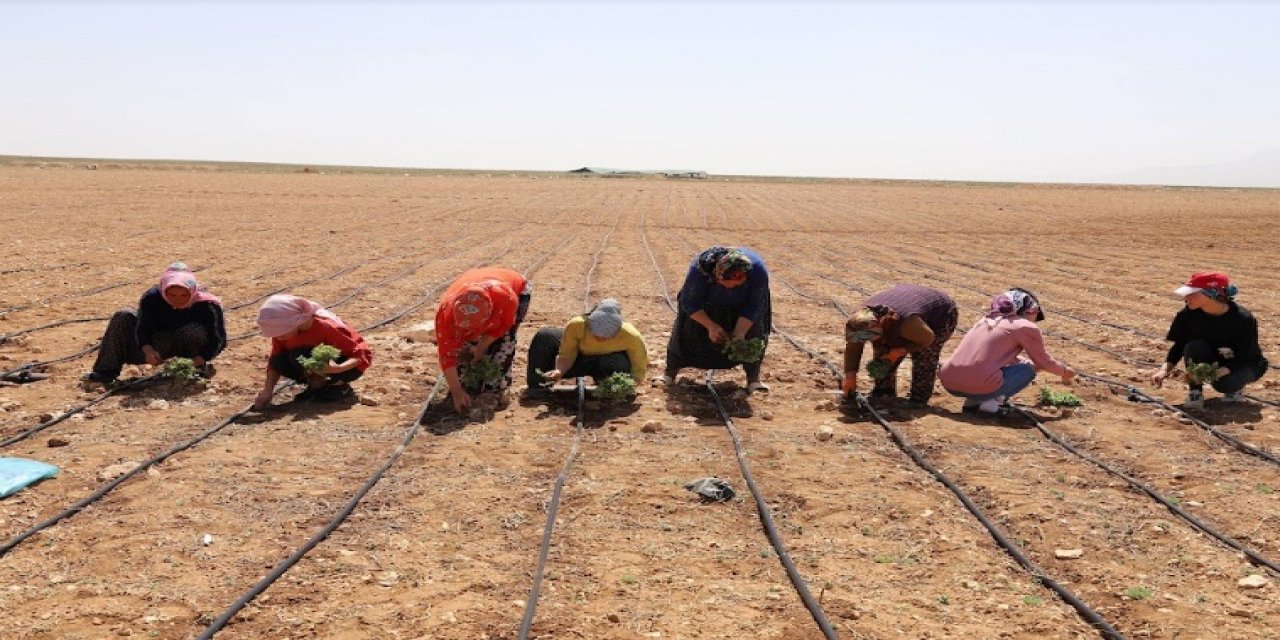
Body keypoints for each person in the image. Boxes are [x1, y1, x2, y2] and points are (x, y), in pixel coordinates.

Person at [84, 262, 226, 385]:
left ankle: (196, 370)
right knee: (123, 315)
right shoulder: (152, 298)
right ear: (164, 290)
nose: (178, 300)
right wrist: (149, 351)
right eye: (172, 295)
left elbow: (218, 339)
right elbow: (143, 327)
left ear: (193, 290)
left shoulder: (207, 305)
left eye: (184, 295)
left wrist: (197, 360)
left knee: (194, 330)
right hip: (159, 344)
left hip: (188, 348)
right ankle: (105, 372)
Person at [939, 288, 1076, 416]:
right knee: (1027, 371)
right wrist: (1065, 372)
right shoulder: (1024, 326)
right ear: (1031, 311)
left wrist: (1028, 363)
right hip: (980, 383)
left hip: (949, 382)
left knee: (992, 369)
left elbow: (997, 356)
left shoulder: (987, 320)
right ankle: (991, 404)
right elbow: (1043, 361)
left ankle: (972, 403)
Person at [1151, 271, 1268, 409]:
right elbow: (1180, 345)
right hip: (1214, 357)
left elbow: (1244, 356)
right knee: (1193, 346)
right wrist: (1164, 370)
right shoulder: (1187, 315)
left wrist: (1212, 374)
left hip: (1245, 363)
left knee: (1224, 384)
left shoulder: (1243, 319)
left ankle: (1234, 389)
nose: (1186, 297)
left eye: (1192, 293)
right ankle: (1195, 393)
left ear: (1211, 293)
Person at [663, 246, 771, 392]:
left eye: (737, 286)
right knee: (685, 334)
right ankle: (670, 373)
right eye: (728, 285)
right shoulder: (700, 270)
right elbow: (690, 303)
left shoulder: (757, 271)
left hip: (741, 306)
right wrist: (710, 326)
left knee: (753, 335)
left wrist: (740, 332)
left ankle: (753, 379)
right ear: (717, 276)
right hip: (706, 304)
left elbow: (754, 305)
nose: (731, 289)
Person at [842, 284, 958, 406]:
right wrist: (850, 377)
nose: (871, 342)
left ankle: (918, 399)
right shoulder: (858, 321)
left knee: (924, 354)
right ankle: (884, 391)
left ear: (880, 328)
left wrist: (900, 351)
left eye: (872, 338)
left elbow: (927, 339)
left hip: (941, 314)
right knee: (884, 351)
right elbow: (853, 348)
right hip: (910, 306)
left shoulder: (906, 324)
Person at [435, 267, 531, 413]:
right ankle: (467, 383)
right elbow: (446, 353)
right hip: (474, 283)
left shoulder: (506, 300)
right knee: (463, 350)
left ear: (489, 317)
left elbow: (505, 325)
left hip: (516, 289)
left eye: (474, 330)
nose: (470, 333)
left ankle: (496, 388)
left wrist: (482, 346)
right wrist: (456, 391)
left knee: (503, 343)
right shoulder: (445, 313)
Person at [253, 294, 372, 410]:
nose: (278, 337)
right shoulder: (282, 335)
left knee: (299, 354)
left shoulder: (326, 327)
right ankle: (316, 386)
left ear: (296, 322)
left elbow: (359, 356)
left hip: (345, 364)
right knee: (280, 360)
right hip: (315, 364)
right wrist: (267, 391)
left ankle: (339, 387)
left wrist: (337, 368)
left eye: (282, 333)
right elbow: (274, 362)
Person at [526, 298, 648, 393]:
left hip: (604, 365)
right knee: (545, 336)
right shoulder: (577, 325)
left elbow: (638, 367)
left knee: (619, 361)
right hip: (576, 362)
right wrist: (559, 371)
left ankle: (607, 388)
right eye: (595, 334)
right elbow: (567, 354)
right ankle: (538, 388)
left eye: (606, 336)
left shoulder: (630, 335)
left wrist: (628, 385)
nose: (600, 338)